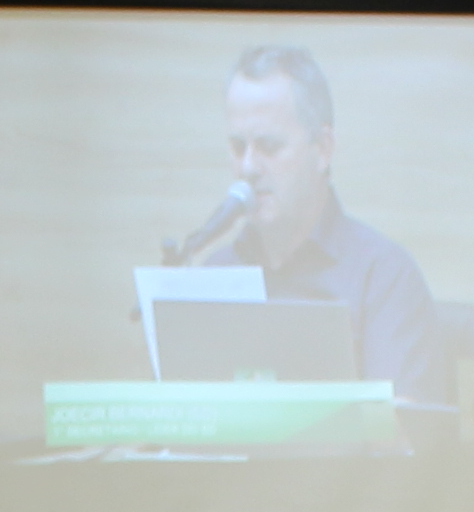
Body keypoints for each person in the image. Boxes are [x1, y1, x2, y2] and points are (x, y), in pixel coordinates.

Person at [178, 43, 450, 443]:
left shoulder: (383, 275)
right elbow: (181, 431)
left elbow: (403, 435)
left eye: (269, 146)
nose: (248, 168)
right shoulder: (216, 274)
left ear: (322, 149)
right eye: (239, 148)